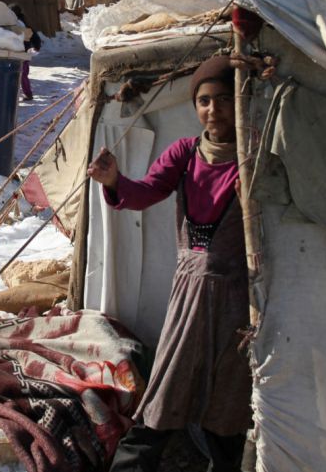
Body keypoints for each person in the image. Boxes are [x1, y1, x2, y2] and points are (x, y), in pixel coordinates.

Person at [87, 55, 252, 472]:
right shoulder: (186, 153)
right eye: (204, 101)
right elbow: (145, 192)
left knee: (229, 397)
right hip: (190, 292)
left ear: (240, 100)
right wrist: (114, 182)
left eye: (223, 99)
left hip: (239, 297)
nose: (213, 110)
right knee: (167, 385)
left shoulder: (254, 161)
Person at [9, 4, 42, 101]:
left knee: (21, 73)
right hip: (21, 51)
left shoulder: (19, 23)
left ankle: (27, 94)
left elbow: (34, 35)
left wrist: (36, 46)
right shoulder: (20, 22)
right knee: (22, 73)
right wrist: (37, 46)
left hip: (20, 51)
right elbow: (35, 36)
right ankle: (26, 93)